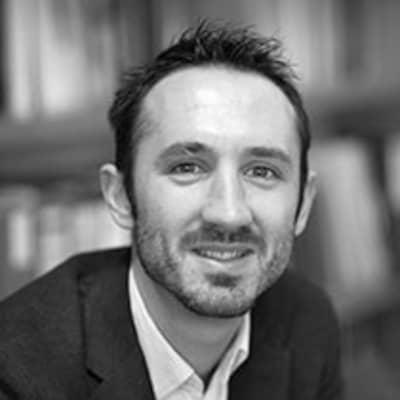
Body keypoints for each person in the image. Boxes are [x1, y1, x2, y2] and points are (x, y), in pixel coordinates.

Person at [0, 21, 343, 399]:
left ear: (304, 203)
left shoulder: (305, 322)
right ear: (121, 196)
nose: (229, 213)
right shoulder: (17, 370)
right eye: (187, 167)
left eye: (262, 171)